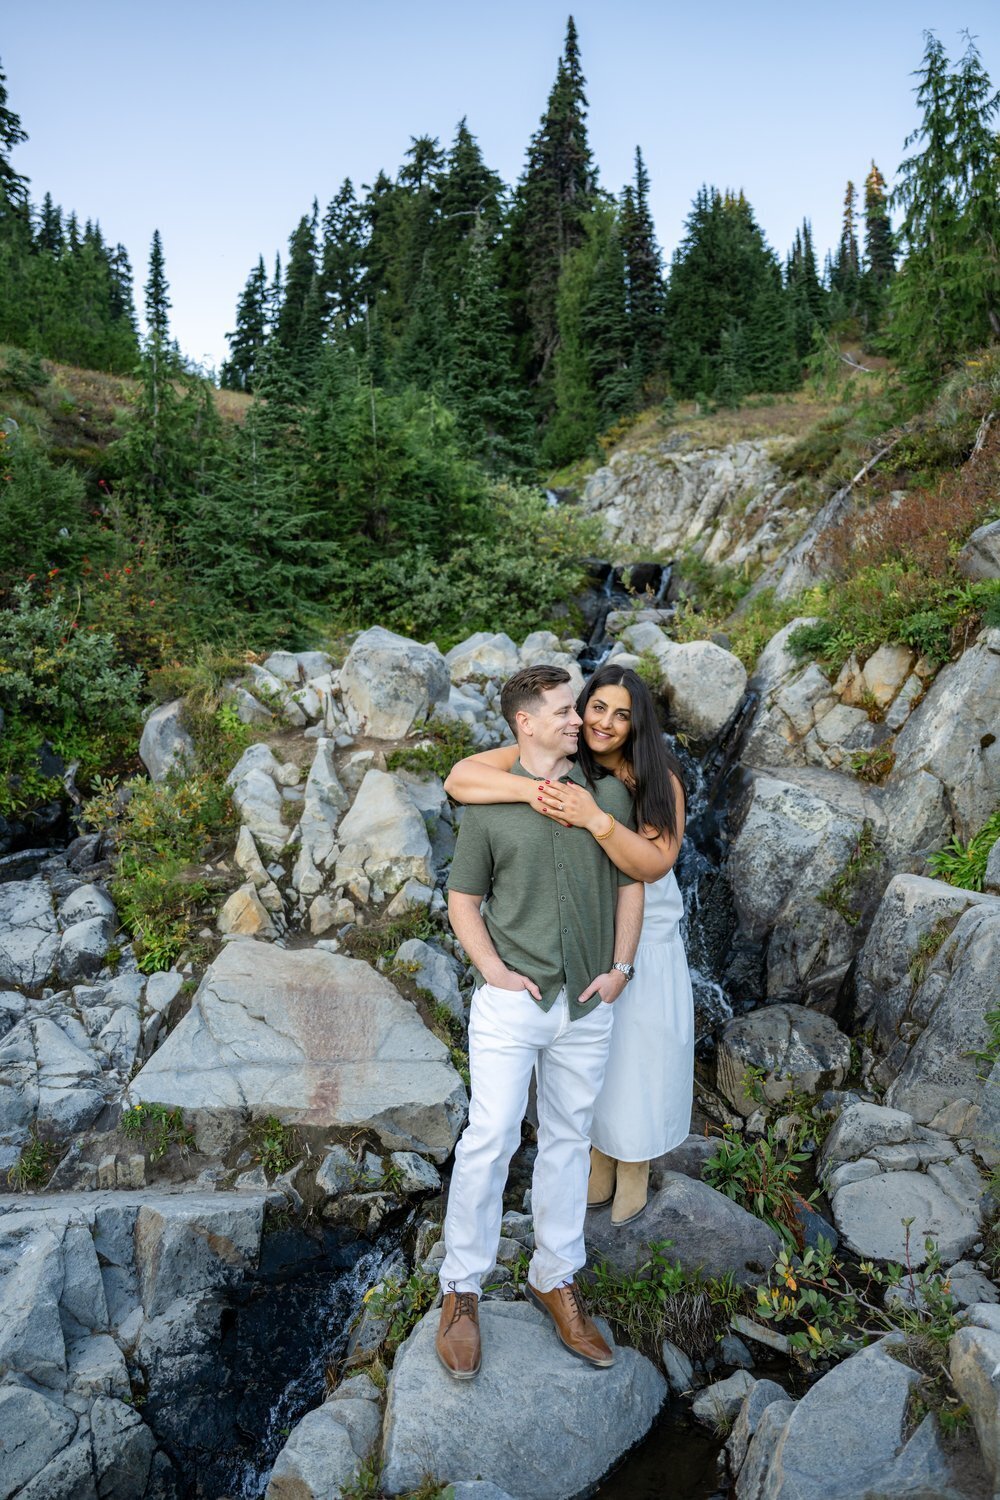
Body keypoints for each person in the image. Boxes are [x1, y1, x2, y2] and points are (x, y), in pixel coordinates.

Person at [436, 664, 644, 1380]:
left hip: (587, 1003)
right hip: (511, 1002)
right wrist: (491, 970)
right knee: (489, 1137)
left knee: (568, 1139)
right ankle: (461, 1291)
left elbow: (630, 886)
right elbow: (463, 900)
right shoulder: (489, 807)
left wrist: (621, 969)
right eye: (561, 710)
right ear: (524, 722)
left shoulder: (607, 792)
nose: (576, 720)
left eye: (575, 708)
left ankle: (555, 1278)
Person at [444, 662, 692, 1228]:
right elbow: (459, 780)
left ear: (637, 723)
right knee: (598, 1064)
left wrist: (596, 819)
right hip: (585, 926)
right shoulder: (565, 758)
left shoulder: (656, 776)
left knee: (642, 1055)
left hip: (642, 931)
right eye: (593, 707)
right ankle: (597, 1161)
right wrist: (537, 791)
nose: (601, 722)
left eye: (620, 714)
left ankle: (636, 1165)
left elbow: (651, 868)